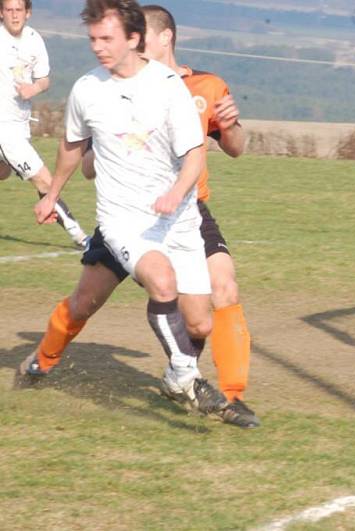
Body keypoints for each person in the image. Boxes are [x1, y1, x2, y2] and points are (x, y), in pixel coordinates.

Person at [18, 3, 259, 428]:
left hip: (181, 214)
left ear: (143, 39)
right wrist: (52, 192)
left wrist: (178, 191)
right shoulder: (89, 90)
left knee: (202, 319)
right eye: (93, 39)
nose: (98, 47)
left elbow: (207, 151)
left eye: (107, 38)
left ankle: (192, 380)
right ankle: (45, 360)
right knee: (92, 301)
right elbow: (77, 151)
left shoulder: (181, 87)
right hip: (123, 219)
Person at [0, 0, 88, 247]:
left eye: (19, 10)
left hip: (20, 123)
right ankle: (81, 237)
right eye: (9, 10)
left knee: (2, 173)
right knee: (45, 181)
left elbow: (44, 79)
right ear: (1, 13)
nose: (14, 15)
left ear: (28, 13)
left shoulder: (33, 39)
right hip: (4, 127)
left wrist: (34, 88)